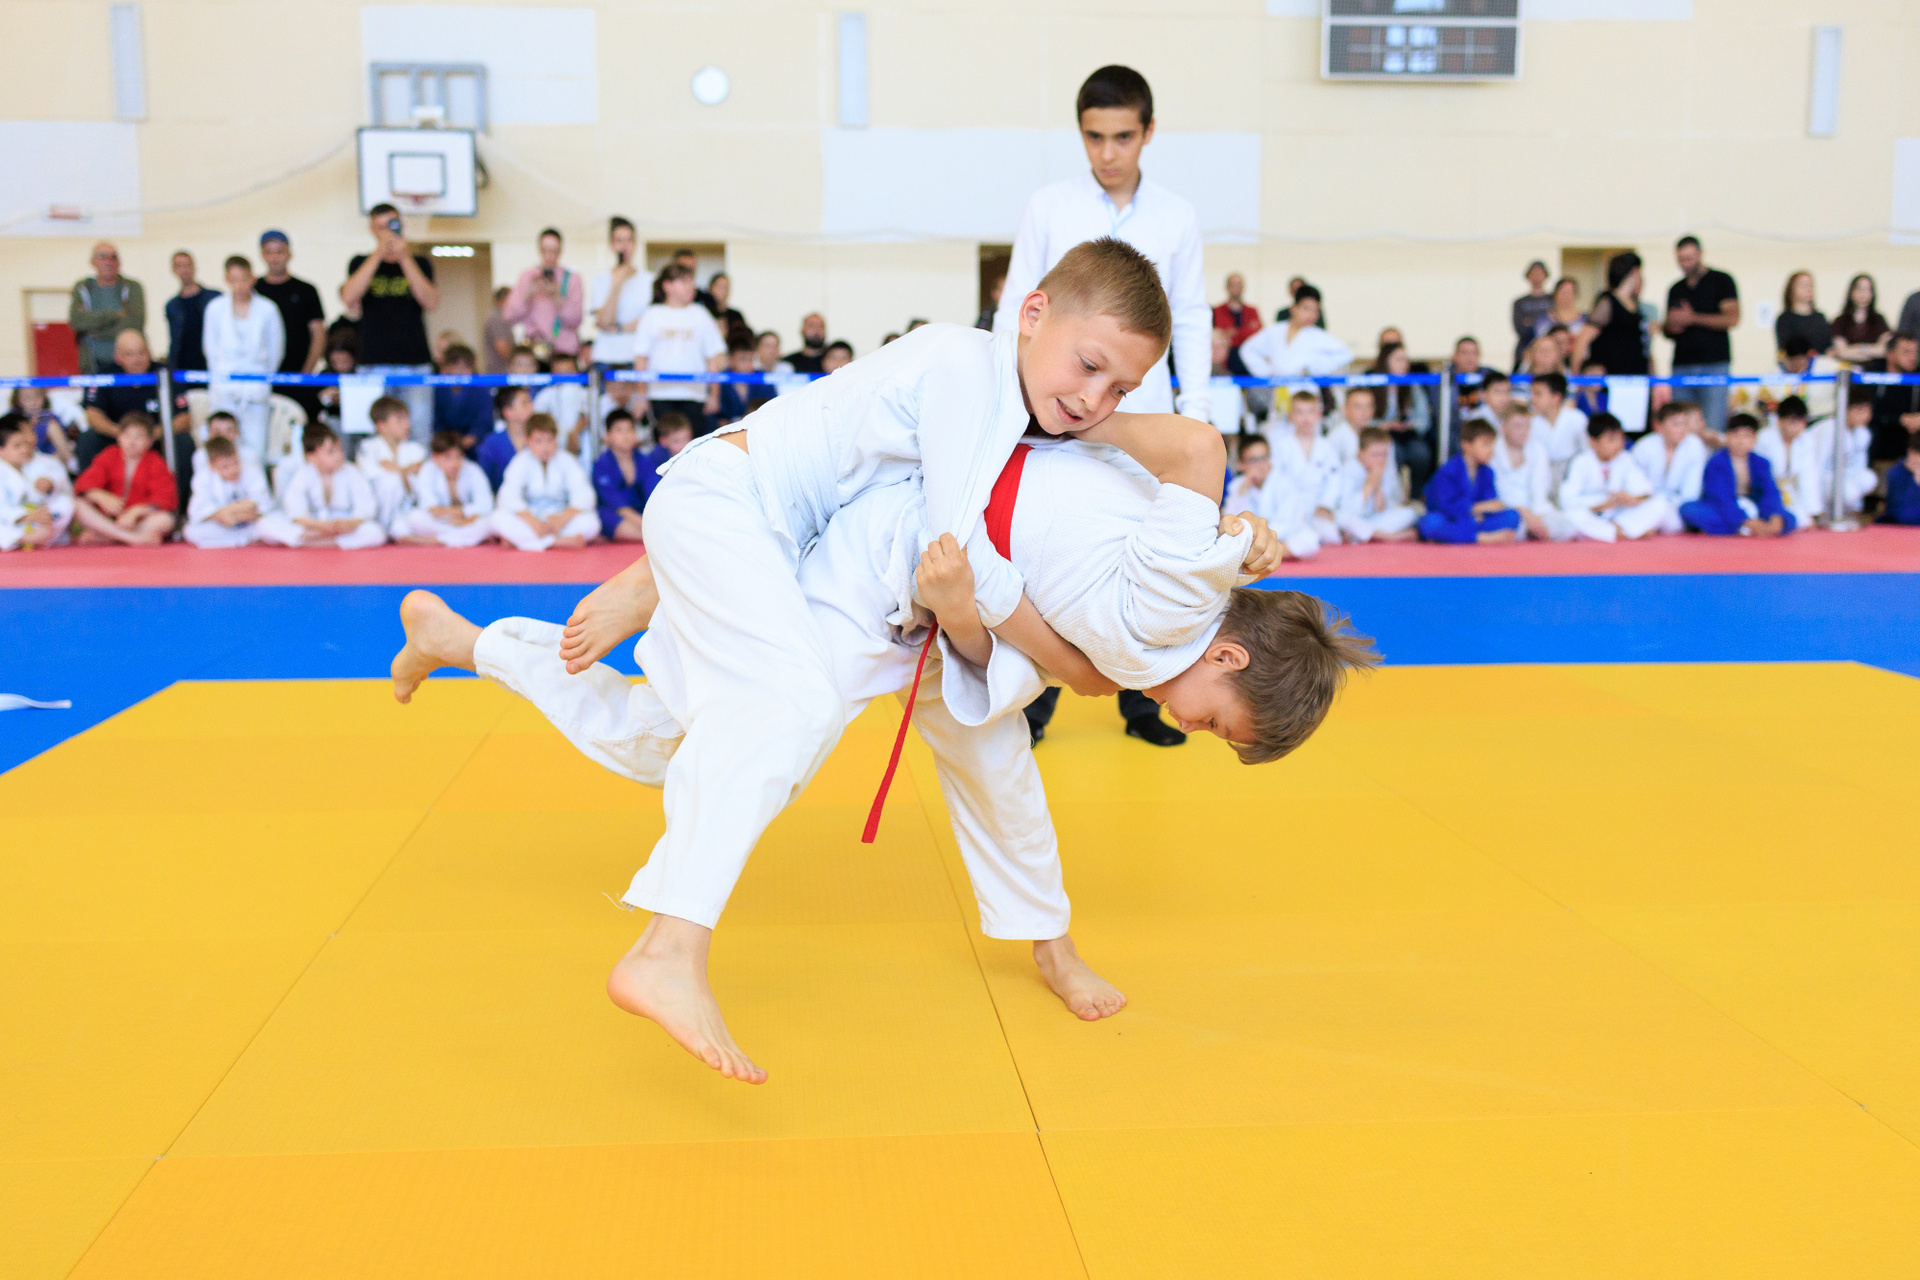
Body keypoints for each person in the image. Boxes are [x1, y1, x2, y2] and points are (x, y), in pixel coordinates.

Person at [423, 239, 1201, 1079]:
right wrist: (1079, 671)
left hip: (825, 560)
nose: (1094, 399)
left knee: (703, 740)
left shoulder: (1028, 405)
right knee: (787, 711)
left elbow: (1145, 470)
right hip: (734, 512)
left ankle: (470, 641)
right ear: (1033, 313)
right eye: (1089, 366)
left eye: (1119, 389)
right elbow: (959, 554)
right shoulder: (965, 368)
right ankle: (667, 949)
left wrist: (1231, 537)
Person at [388, 415, 1303, 1076]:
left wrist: (1237, 540)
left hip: (958, 608)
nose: (1194, 728)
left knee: (1001, 773)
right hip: (884, 574)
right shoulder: (1169, 607)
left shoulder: (1183, 591)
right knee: (672, 741)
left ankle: (1050, 945)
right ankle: (475, 640)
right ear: (1226, 656)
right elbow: (1183, 470)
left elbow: (1163, 535)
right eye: (1216, 721)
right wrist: (1096, 441)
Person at [992, 64, 1211, 423]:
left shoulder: (1177, 215)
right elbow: (1016, 307)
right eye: (1094, 137)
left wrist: (1196, 412)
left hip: (1144, 412)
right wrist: (1004, 400)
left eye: (1123, 137)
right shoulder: (1048, 206)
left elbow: (1189, 318)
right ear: (1080, 131)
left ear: (1148, 131)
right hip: (1059, 413)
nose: (1107, 154)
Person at [340, 203, 439, 441]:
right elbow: (349, 297)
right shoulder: (360, 262)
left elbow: (431, 301)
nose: (388, 232)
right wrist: (378, 254)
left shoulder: (419, 263)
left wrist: (405, 258)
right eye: (381, 227)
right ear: (372, 230)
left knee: (418, 433)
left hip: (415, 362)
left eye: (392, 225)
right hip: (373, 361)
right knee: (372, 435)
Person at [75, 330, 195, 491]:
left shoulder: (166, 374)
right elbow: (93, 415)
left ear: (149, 352)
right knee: (88, 439)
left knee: (184, 442)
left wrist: (153, 435)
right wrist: (121, 435)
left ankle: (180, 502)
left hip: (156, 438)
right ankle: (92, 496)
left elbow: (184, 418)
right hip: (117, 439)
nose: (137, 359)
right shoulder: (104, 375)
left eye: (141, 353)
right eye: (129, 354)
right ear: (118, 357)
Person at [201, 255, 286, 464]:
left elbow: (276, 350)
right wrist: (220, 379)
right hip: (224, 387)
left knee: (256, 447)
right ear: (226, 280)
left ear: (252, 278)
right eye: (234, 280)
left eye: (243, 279)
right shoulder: (215, 308)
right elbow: (211, 349)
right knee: (221, 446)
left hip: (256, 387)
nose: (239, 285)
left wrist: (262, 379)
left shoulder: (268, 309)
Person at [634, 262, 726, 436]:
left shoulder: (701, 314)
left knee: (693, 444)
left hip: (694, 395)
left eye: (691, 281)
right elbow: (641, 358)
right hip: (659, 394)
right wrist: (641, 395)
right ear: (667, 286)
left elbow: (713, 357)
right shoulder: (652, 314)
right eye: (684, 282)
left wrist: (714, 395)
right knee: (665, 443)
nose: (690, 287)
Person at [1661, 236, 1740, 434]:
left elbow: (1732, 318)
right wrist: (1670, 325)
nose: (1685, 264)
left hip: (1714, 365)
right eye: (1681, 259)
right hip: (1682, 365)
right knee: (1680, 427)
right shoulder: (1676, 289)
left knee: (1713, 427)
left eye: (1689, 258)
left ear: (1700, 254)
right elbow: (1668, 328)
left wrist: (1692, 318)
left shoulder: (1722, 281)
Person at [490, 414, 598, 550]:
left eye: (549, 440)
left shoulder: (567, 460)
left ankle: (522, 542)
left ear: (556, 440)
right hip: (530, 518)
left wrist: (562, 518)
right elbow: (508, 496)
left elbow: (584, 494)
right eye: (538, 441)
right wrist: (532, 521)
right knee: (496, 518)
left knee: (591, 523)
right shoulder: (520, 461)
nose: (545, 447)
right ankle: (557, 542)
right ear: (528, 441)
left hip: (559, 518)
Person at [254, 230, 329, 423]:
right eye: (269, 252)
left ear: (289, 254)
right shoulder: (254, 290)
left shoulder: (306, 291)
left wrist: (306, 373)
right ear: (262, 255)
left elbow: (318, 333)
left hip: (298, 377)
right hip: (262, 378)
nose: (274, 257)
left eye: (279, 251)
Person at [1557, 413, 1668, 542]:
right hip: (1592, 513)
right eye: (1611, 440)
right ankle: (1624, 532)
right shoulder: (1580, 462)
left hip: (1618, 513)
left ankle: (1618, 530)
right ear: (1593, 442)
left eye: (1621, 439)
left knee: (1660, 503)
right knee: (1572, 515)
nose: (1618, 444)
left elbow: (1644, 489)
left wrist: (1632, 499)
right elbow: (1567, 500)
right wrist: (1602, 504)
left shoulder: (1625, 458)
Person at [1679, 414, 1792, 536]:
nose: (1741, 441)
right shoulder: (1716, 462)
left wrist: (1775, 517)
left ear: (1754, 439)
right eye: (1736, 435)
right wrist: (1746, 521)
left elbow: (1770, 492)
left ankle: (1740, 529)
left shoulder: (1761, 463)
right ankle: (1743, 527)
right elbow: (1720, 498)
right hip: (1724, 509)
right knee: (1688, 510)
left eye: (1746, 436)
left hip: (1755, 508)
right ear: (1727, 436)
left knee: (1789, 517)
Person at [72, 412, 176, 544]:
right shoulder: (109, 455)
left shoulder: (156, 462)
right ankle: (131, 538)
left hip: (137, 521)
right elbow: (84, 483)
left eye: (139, 437)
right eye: (127, 435)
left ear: (149, 441)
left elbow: (165, 498)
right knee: (77, 504)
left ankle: (109, 536)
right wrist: (100, 495)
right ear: (119, 437)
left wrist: (136, 511)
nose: (132, 442)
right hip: (108, 518)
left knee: (165, 520)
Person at [183, 435, 300, 548]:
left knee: (270, 523)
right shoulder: (202, 478)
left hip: (252, 523)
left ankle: (238, 540)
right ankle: (244, 540)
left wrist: (233, 513)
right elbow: (197, 512)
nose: (233, 469)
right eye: (225, 466)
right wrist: (220, 515)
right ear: (212, 465)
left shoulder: (252, 471)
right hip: (224, 526)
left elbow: (262, 504)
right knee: (191, 531)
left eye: (235, 463)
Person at [282, 424, 386, 548]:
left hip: (344, 525)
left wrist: (350, 523)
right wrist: (318, 526)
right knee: (268, 524)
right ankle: (330, 540)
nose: (339, 455)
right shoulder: (304, 473)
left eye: (340, 449)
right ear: (311, 457)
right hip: (313, 524)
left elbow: (365, 507)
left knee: (375, 532)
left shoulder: (351, 471)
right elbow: (295, 509)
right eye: (331, 452)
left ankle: (320, 542)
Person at [1419, 421, 1518, 544]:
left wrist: (1484, 511)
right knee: (1430, 523)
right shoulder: (1448, 470)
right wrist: (1476, 508)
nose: (1491, 450)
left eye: (1492, 445)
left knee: (1512, 515)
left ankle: (1459, 535)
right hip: (1452, 518)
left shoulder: (1487, 472)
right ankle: (1481, 537)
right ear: (1466, 445)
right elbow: (1445, 506)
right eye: (1485, 444)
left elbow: (1490, 503)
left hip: (1474, 521)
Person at [1225, 434, 1318, 561]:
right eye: (1254, 460)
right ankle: (1267, 554)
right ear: (1242, 464)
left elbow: (1287, 523)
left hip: (1276, 537)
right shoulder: (1237, 486)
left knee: (1308, 539)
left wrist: (1262, 538)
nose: (1260, 465)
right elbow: (1231, 521)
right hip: (1250, 540)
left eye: (1264, 458)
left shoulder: (1284, 484)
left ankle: (1262, 554)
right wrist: (1244, 490)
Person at [1238, 284, 1353, 386]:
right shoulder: (1275, 331)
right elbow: (1247, 349)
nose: (1311, 315)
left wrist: (1315, 368)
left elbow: (1345, 354)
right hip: (1278, 388)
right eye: (1306, 308)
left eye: (1315, 310)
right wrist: (1267, 372)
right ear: (1293, 308)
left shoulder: (1318, 336)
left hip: (1305, 390)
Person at [1489, 403, 1573, 543]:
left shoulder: (1538, 449)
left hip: (1536, 511)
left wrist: (1535, 518)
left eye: (1527, 426)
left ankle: (1531, 532)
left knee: (1567, 527)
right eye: (1517, 426)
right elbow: (1496, 491)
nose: (1523, 431)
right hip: (1506, 511)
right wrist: (1523, 513)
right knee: (1509, 524)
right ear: (1503, 427)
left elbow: (1541, 488)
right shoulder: (1492, 451)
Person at [398, 431, 495, 547]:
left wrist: (464, 516)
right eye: (447, 457)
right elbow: (430, 507)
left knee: (489, 522)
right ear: (435, 458)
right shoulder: (428, 470)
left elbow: (485, 505)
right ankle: (461, 537)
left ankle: (435, 540)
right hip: (444, 522)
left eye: (458, 457)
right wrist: (456, 516)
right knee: (415, 517)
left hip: (468, 520)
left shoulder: (473, 470)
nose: (454, 463)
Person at [504, 228, 584, 363]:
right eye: (544, 250)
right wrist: (528, 295)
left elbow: (575, 320)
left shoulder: (571, 279)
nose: (549, 256)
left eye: (554, 251)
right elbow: (510, 316)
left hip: (563, 353)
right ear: (539, 250)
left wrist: (557, 297)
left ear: (560, 251)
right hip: (534, 351)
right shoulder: (528, 276)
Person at [1273, 388, 1341, 545]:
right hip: (1290, 508)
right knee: (1279, 531)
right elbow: (1276, 481)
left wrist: (1326, 505)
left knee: (1331, 536)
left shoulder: (1327, 446)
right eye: (1300, 412)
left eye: (1310, 412)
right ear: (1291, 416)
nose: (1305, 418)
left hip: (1318, 508)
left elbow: (1334, 480)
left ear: (1319, 415)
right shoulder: (1282, 446)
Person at [1365, 340, 1432, 496]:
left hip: (1407, 435)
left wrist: (1410, 425)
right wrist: (1384, 425)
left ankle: (1415, 495)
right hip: (1381, 436)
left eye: (1405, 360)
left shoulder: (1412, 386)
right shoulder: (1372, 385)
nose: (1405, 364)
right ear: (1385, 362)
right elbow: (1363, 420)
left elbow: (1424, 419)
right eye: (1399, 359)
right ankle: (1392, 494)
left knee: (1421, 453)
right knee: (1393, 453)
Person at [1631, 401, 1708, 533]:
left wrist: (1670, 504)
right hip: (1647, 503)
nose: (1682, 429)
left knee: (1682, 517)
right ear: (1659, 425)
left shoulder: (1694, 445)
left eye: (1685, 424)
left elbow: (1691, 491)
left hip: (1677, 506)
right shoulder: (1644, 447)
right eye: (1676, 424)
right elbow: (1635, 486)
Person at [1330, 427, 1418, 543]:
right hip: (1353, 518)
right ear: (1361, 454)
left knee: (1410, 513)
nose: (1380, 459)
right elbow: (1348, 509)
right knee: (1341, 517)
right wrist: (1369, 485)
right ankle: (1387, 536)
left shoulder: (1384, 469)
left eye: (1384, 454)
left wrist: (1378, 486)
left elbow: (1383, 509)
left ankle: (1364, 535)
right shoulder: (1349, 469)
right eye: (1375, 454)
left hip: (1372, 521)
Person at [356, 395, 427, 536]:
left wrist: (398, 470)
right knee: (390, 481)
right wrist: (405, 472)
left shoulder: (417, 450)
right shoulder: (367, 447)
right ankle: (383, 528)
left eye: (407, 419)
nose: (407, 425)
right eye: (399, 420)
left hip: (406, 514)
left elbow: (420, 486)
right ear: (381, 426)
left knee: (406, 527)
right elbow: (368, 476)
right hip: (376, 515)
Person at [70, 242, 145, 374]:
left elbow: (134, 323)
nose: (108, 261)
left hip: (129, 367)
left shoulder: (132, 287)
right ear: (93, 261)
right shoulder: (83, 288)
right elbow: (77, 321)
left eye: (113, 257)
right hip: (92, 365)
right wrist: (115, 315)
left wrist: (97, 333)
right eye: (102, 256)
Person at [1756, 395, 1828, 530]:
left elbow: (1808, 477)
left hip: (1788, 491)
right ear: (1779, 421)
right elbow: (1760, 477)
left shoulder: (1806, 440)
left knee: (1804, 520)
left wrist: (1813, 511)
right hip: (1765, 492)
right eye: (1793, 422)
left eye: (1802, 422)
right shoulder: (1764, 438)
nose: (1799, 427)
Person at [0, 415, 71, 550]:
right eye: (17, 446)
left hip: (32, 519)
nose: (24, 449)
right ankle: (23, 539)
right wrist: (27, 516)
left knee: (65, 503)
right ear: (1, 449)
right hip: (11, 521)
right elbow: (2, 508)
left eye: (24, 444)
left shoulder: (30, 463)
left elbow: (36, 498)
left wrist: (49, 486)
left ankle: (34, 538)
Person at [1574, 251, 1649, 377]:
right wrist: (1576, 378)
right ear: (1634, 272)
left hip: (1636, 377)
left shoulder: (1635, 305)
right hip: (1611, 378)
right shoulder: (1607, 302)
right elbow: (1583, 339)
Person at [588, 216, 646, 370]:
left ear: (635, 244)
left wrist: (619, 328)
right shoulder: (601, 280)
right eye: (619, 241)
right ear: (612, 245)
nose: (624, 246)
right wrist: (617, 284)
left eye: (629, 240)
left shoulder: (649, 280)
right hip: (606, 357)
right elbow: (604, 321)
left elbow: (650, 322)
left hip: (636, 356)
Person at [1821, 386, 1880, 518]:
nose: (1866, 416)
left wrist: (1857, 507)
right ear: (1845, 409)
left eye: (1868, 411)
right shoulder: (1828, 429)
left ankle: (1848, 512)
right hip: (1825, 479)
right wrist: (1816, 510)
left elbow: (1859, 467)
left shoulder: (1863, 433)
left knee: (1869, 478)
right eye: (1860, 411)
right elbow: (1815, 468)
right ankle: (1827, 512)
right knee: (1848, 492)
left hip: (1844, 478)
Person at [592, 409, 649, 543]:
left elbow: (653, 494)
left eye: (630, 430)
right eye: (619, 430)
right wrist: (647, 526)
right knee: (608, 518)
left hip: (643, 514)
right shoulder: (601, 465)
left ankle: (653, 534)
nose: (626, 435)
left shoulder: (645, 461)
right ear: (607, 436)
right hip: (615, 515)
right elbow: (617, 505)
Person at [430, 344, 492, 458]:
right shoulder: (438, 389)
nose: (460, 372)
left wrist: (472, 437)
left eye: (465, 367)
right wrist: (448, 441)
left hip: (475, 444)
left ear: (471, 369)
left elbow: (484, 420)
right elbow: (436, 421)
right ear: (446, 368)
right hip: (446, 443)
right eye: (456, 367)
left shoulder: (481, 389)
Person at [1868, 331, 1920, 463]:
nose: (1913, 357)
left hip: (1910, 438)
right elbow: (1867, 411)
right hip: (1879, 437)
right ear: (1890, 354)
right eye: (1907, 352)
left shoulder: (1917, 375)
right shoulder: (1872, 374)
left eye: (1915, 352)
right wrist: (1900, 419)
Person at [1528, 370, 1589, 485]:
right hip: (1540, 477)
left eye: (1538, 394)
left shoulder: (1577, 418)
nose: (1532, 399)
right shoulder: (1531, 422)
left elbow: (1587, 451)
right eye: (1532, 393)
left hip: (1572, 476)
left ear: (1556, 397)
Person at [163, 250, 218, 374]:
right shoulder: (172, 306)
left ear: (194, 267)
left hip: (211, 364)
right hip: (184, 367)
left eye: (187, 265)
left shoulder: (214, 299)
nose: (184, 270)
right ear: (174, 270)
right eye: (179, 266)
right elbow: (174, 341)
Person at [533, 351, 592, 457]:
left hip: (580, 439)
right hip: (552, 438)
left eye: (568, 371)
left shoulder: (586, 393)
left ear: (576, 372)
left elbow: (589, 415)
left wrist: (575, 432)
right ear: (552, 373)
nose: (564, 376)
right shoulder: (544, 395)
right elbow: (539, 418)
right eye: (559, 372)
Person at [478, 385, 534, 491]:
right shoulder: (492, 443)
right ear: (507, 411)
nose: (531, 406)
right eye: (524, 403)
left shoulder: (540, 439)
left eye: (530, 402)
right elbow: (483, 481)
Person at [9, 386, 78, 473]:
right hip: (26, 452)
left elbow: (63, 435)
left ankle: (71, 462)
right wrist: (29, 425)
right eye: (27, 398)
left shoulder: (49, 416)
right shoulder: (13, 417)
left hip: (50, 454)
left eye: (37, 397)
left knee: (53, 426)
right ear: (18, 400)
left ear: (44, 397)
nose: (33, 402)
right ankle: (71, 462)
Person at [1832, 274, 1891, 363]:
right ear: (1852, 292)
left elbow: (1884, 350)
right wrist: (1872, 350)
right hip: (1848, 368)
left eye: (1868, 290)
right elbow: (1842, 352)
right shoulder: (1840, 321)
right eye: (1860, 290)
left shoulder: (1879, 319)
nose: (1864, 294)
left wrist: (1856, 349)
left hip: (1874, 369)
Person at [714, 336, 770, 427]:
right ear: (730, 359)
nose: (748, 364)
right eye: (743, 359)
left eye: (751, 359)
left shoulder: (762, 379)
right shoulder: (720, 381)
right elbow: (713, 413)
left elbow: (772, 406)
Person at [1776, 271, 1832, 357]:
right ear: (1791, 290)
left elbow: (1828, 347)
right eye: (1803, 285)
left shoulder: (1820, 317)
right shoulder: (1785, 319)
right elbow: (1785, 350)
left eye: (1810, 285)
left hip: (1821, 362)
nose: (1808, 289)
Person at [1511, 260, 1551, 369]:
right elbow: (1520, 328)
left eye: (1540, 273)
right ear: (1528, 276)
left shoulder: (1552, 300)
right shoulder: (1520, 302)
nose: (1537, 277)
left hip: (1550, 349)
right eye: (1534, 273)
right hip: (1525, 347)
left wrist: (1531, 322)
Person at [1213, 272, 1262, 353]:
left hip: (1249, 353)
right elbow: (1219, 335)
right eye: (1233, 285)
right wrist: (1246, 331)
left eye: (1238, 285)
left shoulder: (1252, 311)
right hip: (1226, 355)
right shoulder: (1218, 311)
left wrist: (1234, 332)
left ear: (1243, 287)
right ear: (1227, 287)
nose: (1236, 288)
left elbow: (1258, 334)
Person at [1880, 435, 1920, 525]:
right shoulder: (1896, 473)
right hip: (1901, 527)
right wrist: (1916, 483)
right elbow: (1902, 515)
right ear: (1911, 452)